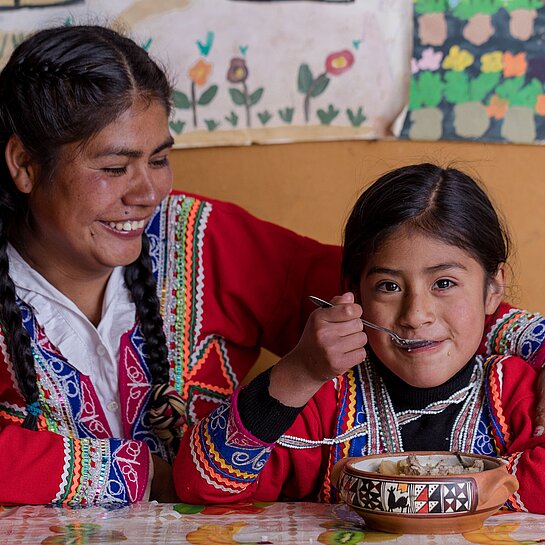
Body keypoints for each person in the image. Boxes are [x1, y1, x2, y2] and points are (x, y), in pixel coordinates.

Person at [0, 24, 342, 507]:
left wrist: (483, 326)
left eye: (158, 160)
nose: (146, 195)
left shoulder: (204, 237)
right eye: (115, 168)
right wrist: (141, 475)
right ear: (25, 164)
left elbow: (393, 293)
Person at [175, 163, 545, 514]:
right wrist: (300, 372)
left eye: (444, 283)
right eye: (389, 286)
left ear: (493, 287)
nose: (415, 315)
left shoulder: (515, 394)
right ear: (355, 294)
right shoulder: (326, 402)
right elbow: (200, 484)